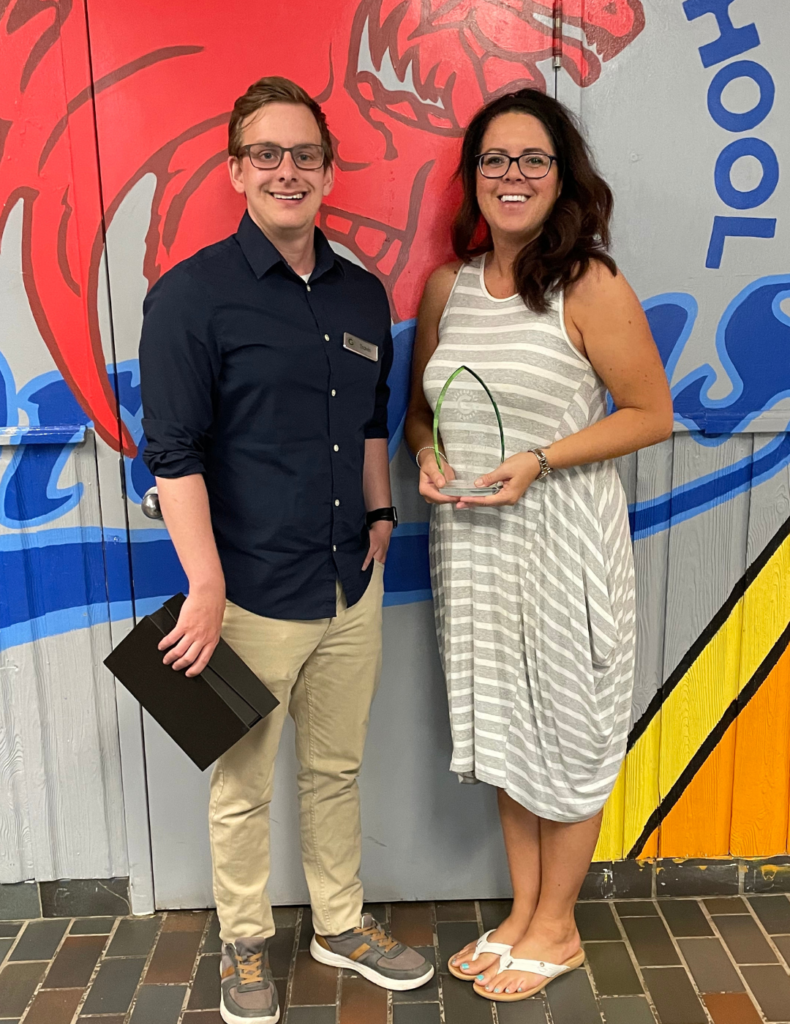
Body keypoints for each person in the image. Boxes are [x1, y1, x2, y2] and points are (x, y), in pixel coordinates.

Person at [139, 76, 434, 1024]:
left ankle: (339, 925)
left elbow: (376, 422)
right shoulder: (190, 299)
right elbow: (172, 452)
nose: (287, 170)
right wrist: (205, 584)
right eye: (265, 154)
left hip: (351, 583)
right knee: (241, 784)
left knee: (335, 769)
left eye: (304, 154)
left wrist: (382, 519)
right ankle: (244, 946)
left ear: (328, 169)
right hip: (251, 595)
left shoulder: (361, 292)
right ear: (236, 171)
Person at [404, 88, 673, 1004]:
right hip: (473, 550)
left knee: (570, 725)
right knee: (505, 731)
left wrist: (539, 460)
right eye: (494, 160)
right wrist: (431, 456)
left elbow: (651, 415)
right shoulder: (447, 286)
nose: (511, 176)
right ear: (471, 177)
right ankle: (523, 914)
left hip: (563, 545)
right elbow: (419, 416)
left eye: (532, 160)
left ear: (563, 177)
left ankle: (558, 928)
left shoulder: (589, 284)